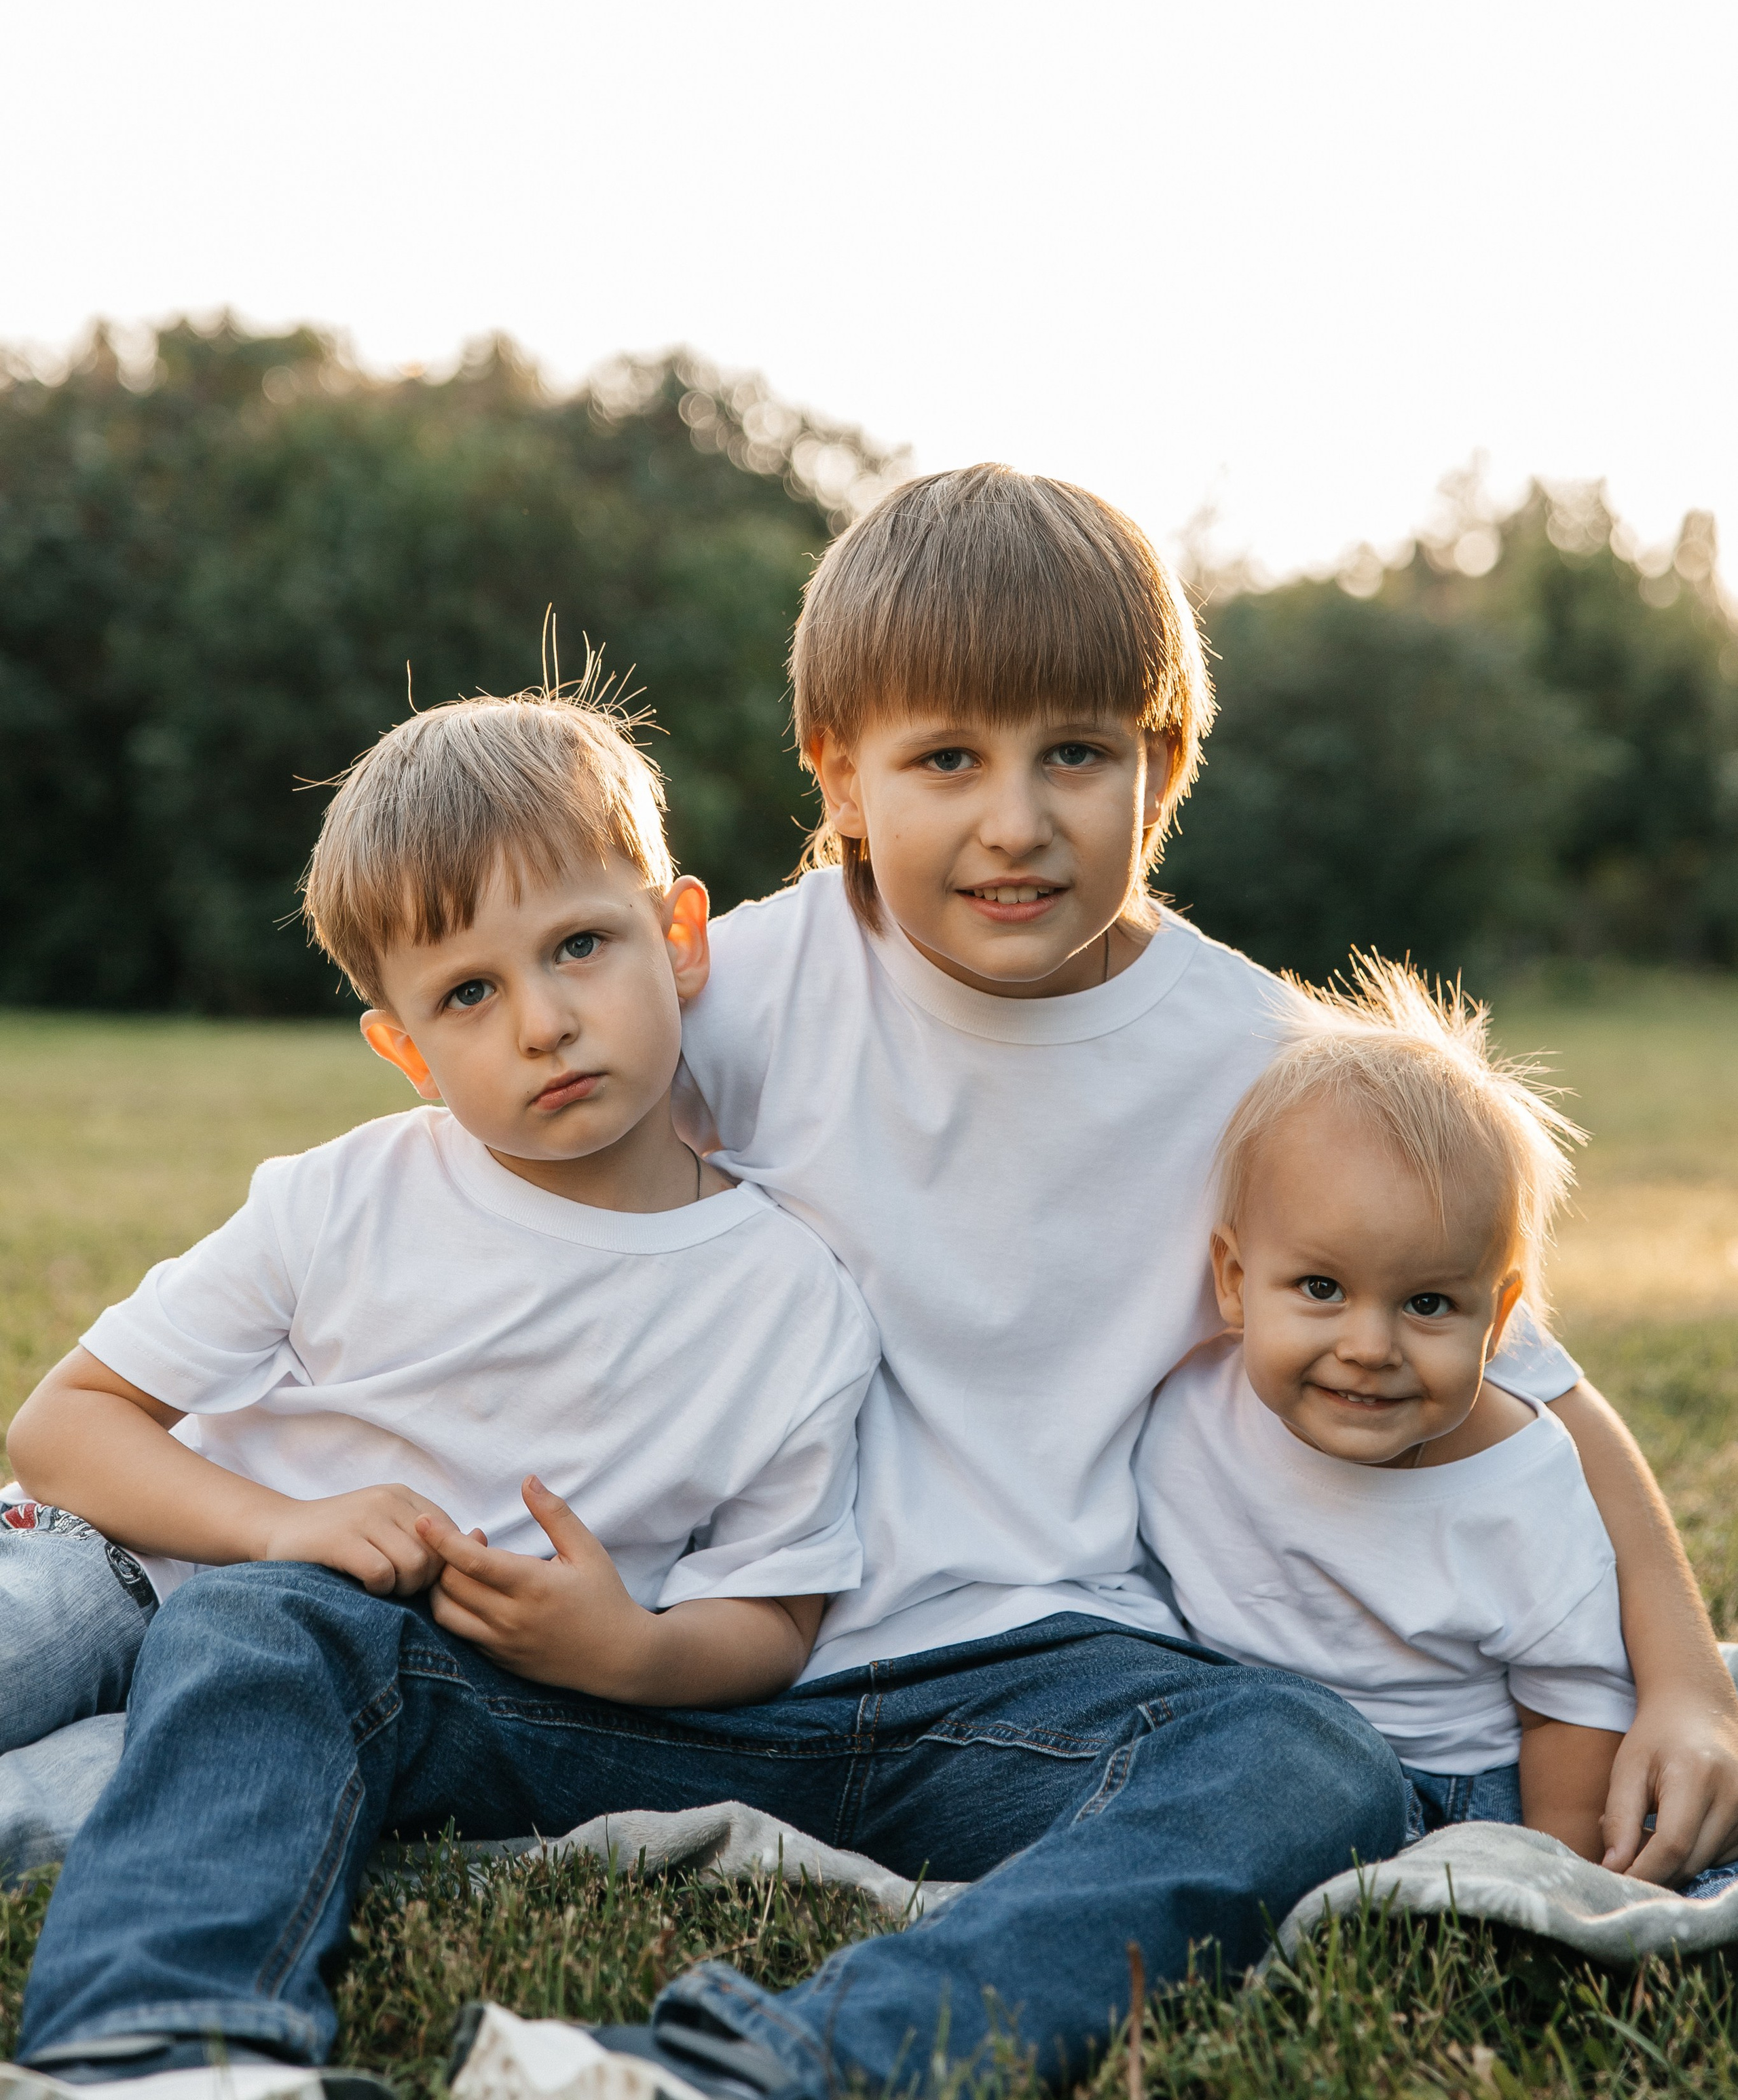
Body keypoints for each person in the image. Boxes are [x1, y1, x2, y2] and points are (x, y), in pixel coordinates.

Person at [15, 470, 1738, 2100]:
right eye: (943, 760)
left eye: (1075, 752)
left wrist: (1673, 1681)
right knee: (278, 1626)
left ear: (1162, 760)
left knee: (1301, 1764)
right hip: (664, 1647)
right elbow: (473, 1160)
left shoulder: (1262, 1064)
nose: (1014, 821)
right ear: (839, 778)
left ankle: (758, 2069)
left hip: (1019, 1682)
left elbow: (1530, 1381)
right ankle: (161, 2040)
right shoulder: (727, 984)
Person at [7, 693, 876, 2089]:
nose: (543, 1022)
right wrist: (287, 1527)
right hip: (112, 1561)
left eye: (580, 946)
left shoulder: (786, 1297)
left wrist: (631, 1653)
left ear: (679, 937)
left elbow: (776, 1611)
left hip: (333, 1704)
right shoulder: (351, 1196)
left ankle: (166, 2060)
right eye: (468, 993)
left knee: (79, 1811)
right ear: (405, 1047)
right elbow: (62, 1431)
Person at [1136, 951, 1648, 1861]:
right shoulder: (1186, 1416)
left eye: (1426, 1305)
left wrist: (1552, 1867)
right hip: (1250, 1760)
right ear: (1234, 1281)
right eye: (1322, 1287)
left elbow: (1572, 1704)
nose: (1370, 1347)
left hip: (1471, 1786)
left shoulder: (1521, 1482)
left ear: (1498, 1323)